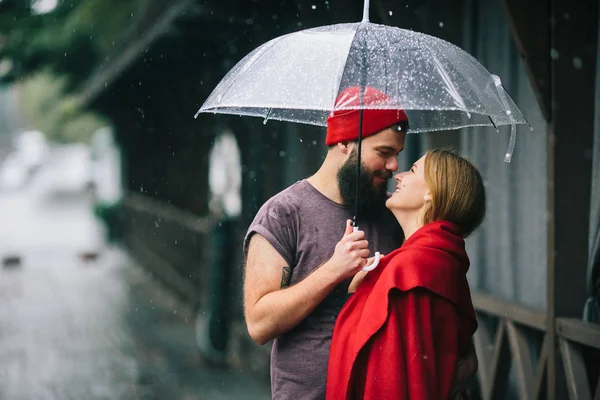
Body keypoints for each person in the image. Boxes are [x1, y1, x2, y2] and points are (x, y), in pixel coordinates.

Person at [243, 86, 476, 399]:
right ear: (344, 141)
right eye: (384, 153)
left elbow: (450, 339)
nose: (394, 166)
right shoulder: (283, 214)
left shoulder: (395, 214)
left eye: (398, 155)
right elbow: (258, 324)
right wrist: (333, 271)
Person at [326, 149, 485, 400]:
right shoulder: (437, 260)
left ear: (431, 192)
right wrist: (364, 287)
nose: (398, 175)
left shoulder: (409, 270)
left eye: (412, 170)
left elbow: (390, 379)